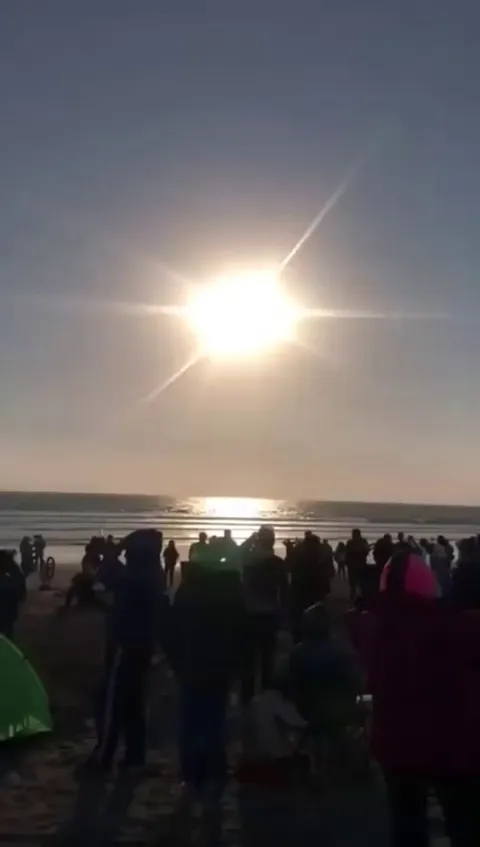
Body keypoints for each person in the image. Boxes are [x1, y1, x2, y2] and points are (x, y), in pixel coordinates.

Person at [355, 550, 480, 846]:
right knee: (464, 822)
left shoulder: (374, 629)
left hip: (397, 743)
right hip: (453, 741)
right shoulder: (455, 627)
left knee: (406, 821)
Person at [166, 550, 246, 796]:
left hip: (191, 665)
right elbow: (239, 633)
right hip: (218, 667)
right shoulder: (229, 593)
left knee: (190, 721)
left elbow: (171, 632)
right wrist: (235, 665)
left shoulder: (187, 592)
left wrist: (176, 662)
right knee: (214, 720)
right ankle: (214, 769)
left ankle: (191, 773)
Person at [87, 530, 164, 773]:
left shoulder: (138, 576)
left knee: (114, 700)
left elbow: (109, 579)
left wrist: (111, 553)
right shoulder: (152, 574)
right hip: (142, 643)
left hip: (126, 644)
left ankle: (105, 756)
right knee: (134, 701)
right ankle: (134, 755)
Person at [241, 525, 288, 703]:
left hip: (249, 613)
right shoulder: (277, 562)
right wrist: (284, 616)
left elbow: (240, 551)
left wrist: (251, 539)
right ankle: (266, 695)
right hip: (270, 613)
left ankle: (247, 697)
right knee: (267, 658)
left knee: (248, 659)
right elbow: (284, 591)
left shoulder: (249, 560)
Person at [0, 550, 27, 639]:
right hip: (10, 596)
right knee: (8, 624)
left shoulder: (9, 581)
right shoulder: (11, 580)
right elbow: (20, 580)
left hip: (8, 595)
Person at [345, 529, 369, 603]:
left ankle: (353, 597)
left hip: (354, 565)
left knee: (355, 584)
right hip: (359, 564)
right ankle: (359, 597)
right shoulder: (362, 542)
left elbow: (347, 553)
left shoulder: (350, 542)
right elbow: (366, 552)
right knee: (359, 583)